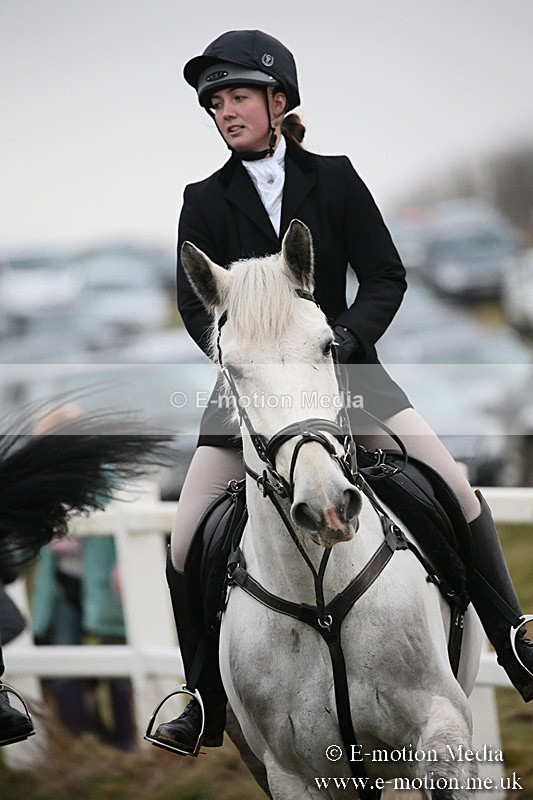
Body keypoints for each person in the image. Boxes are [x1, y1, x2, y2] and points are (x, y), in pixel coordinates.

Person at [151, 29, 533, 756]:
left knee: (454, 485)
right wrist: (243, 360)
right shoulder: (201, 200)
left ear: (277, 99)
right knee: (181, 537)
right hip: (253, 396)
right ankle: (199, 697)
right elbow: (194, 304)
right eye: (213, 103)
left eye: (235, 96)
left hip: (348, 376)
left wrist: (349, 338)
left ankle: (514, 639)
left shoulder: (336, 178)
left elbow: (386, 274)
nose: (223, 111)